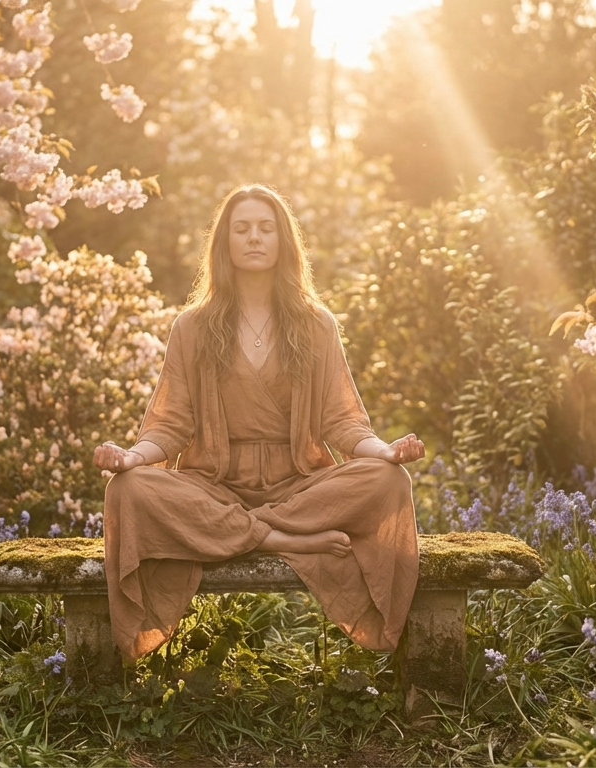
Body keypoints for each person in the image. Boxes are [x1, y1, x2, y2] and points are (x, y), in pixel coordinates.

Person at [92, 183, 425, 661]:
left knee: (389, 481)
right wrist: (130, 457)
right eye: (242, 228)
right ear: (224, 242)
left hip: (297, 489)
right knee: (128, 489)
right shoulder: (193, 325)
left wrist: (387, 452)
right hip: (214, 485)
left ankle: (242, 532)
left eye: (266, 228)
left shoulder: (317, 324)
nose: (254, 238)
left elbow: (342, 421)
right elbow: (168, 426)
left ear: (283, 241)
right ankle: (279, 539)